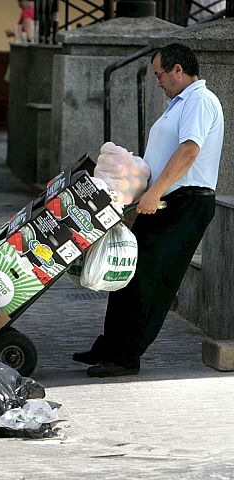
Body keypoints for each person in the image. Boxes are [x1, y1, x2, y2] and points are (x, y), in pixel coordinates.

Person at [74, 43, 224, 377]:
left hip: (184, 201)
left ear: (177, 70)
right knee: (129, 274)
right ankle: (111, 346)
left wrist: (154, 192)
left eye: (159, 74)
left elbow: (189, 151)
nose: (157, 82)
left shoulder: (199, 100)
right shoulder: (178, 103)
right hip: (162, 200)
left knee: (150, 280)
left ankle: (126, 356)